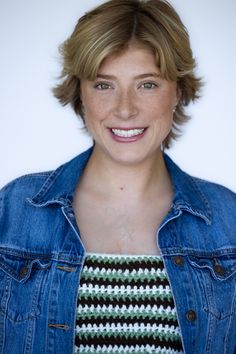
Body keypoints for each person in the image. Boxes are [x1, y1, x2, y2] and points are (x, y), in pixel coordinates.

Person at [0, 0, 235, 353]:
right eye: (104, 85)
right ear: (79, 91)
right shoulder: (13, 212)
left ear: (179, 91)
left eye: (147, 85)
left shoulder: (227, 220)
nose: (125, 109)